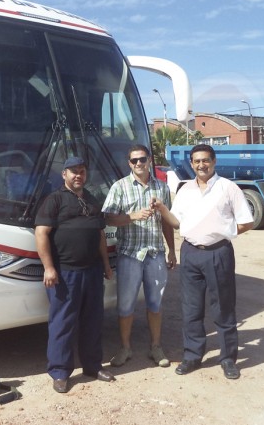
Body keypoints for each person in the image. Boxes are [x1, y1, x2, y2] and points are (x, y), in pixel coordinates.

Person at [153, 144, 254, 380]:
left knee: (223, 309)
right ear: (191, 163)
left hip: (218, 253)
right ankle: (192, 356)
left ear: (214, 161)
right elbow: (176, 222)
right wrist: (161, 208)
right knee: (191, 309)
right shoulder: (185, 189)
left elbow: (246, 222)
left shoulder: (228, 188)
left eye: (206, 160)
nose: (201, 165)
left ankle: (228, 359)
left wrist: (222, 233)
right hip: (190, 253)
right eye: (197, 161)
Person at [34, 156, 115, 393]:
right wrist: (49, 267)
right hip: (65, 274)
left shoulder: (91, 199)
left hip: (92, 272)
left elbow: (100, 234)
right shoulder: (54, 200)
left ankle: (92, 366)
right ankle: (59, 372)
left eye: (82, 171)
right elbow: (41, 234)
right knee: (63, 324)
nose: (78, 175)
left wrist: (106, 264)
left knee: (93, 321)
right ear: (64, 174)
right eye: (73, 171)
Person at [102, 145, 176, 369]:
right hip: (130, 254)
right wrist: (132, 216)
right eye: (134, 161)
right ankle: (125, 348)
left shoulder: (161, 187)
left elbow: (167, 221)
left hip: (155, 253)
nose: (138, 164)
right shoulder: (120, 187)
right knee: (125, 305)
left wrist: (172, 250)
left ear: (149, 160)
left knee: (155, 303)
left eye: (142, 159)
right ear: (129, 163)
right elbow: (108, 218)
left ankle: (155, 346)